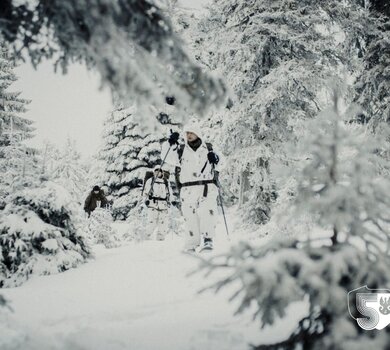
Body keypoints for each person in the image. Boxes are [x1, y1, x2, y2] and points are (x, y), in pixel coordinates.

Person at [162, 120, 220, 252]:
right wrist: (169, 143)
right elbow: (166, 157)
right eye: (187, 133)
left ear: (198, 134)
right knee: (189, 215)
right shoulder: (180, 150)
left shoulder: (209, 148)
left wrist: (215, 159)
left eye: (191, 132)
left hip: (207, 186)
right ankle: (191, 244)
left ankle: (208, 240)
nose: (188, 135)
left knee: (207, 212)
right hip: (188, 188)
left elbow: (222, 163)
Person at [143, 166, 171, 240]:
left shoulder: (165, 181)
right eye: (156, 171)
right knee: (151, 222)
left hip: (163, 205)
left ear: (162, 172)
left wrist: (171, 201)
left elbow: (169, 192)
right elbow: (146, 192)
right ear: (154, 172)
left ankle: (160, 239)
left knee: (163, 223)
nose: (157, 173)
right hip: (153, 204)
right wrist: (146, 199)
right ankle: (146, 237)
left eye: (159, 171)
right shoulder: (150, 181)